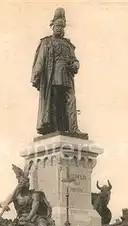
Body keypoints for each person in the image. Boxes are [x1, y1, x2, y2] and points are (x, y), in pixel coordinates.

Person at [31, 7, 85, 137]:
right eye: (57, 26)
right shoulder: (47, 42)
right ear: (53, 26)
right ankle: (54, 128)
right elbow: (41, 60)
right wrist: (36, 75)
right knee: (54, 104)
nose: (60, 28)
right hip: (52, 78)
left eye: (62, 26)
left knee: (71, 101)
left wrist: (75, 64)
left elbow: (75, 60)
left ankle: (73, 128)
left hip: (67, 79)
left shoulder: (68, 45)